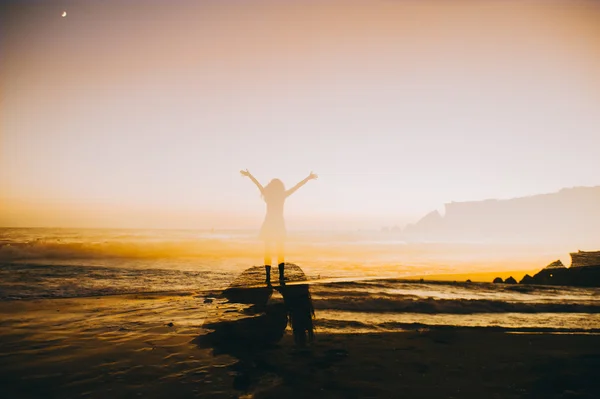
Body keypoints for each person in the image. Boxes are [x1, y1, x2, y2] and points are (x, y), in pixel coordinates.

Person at [240, 170, 318, 283]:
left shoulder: (268, 195)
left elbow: (257, 184)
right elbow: (297, 186)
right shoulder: (282, 195)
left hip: (268, 225)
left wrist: (249, 175)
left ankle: (268, 277)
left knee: (267, 251)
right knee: (280, 251)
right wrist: (308, 178)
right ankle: (281, 276)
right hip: (278, 225)